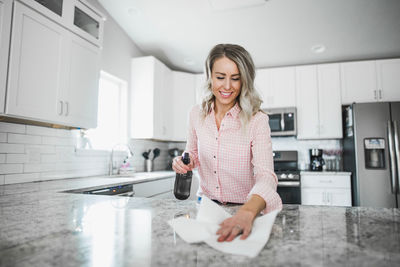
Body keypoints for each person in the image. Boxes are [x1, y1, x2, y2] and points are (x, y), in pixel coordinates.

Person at [172, 43, 282, 242]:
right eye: (220, 77)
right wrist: (183, 162)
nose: (227, 86)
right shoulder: (196, 114)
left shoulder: (257, 120)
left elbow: (266, 176)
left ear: (245, 81)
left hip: (245, 211)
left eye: (236, 78)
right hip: (204, 209)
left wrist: (247, 212)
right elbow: (193, 154)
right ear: (210, 76)